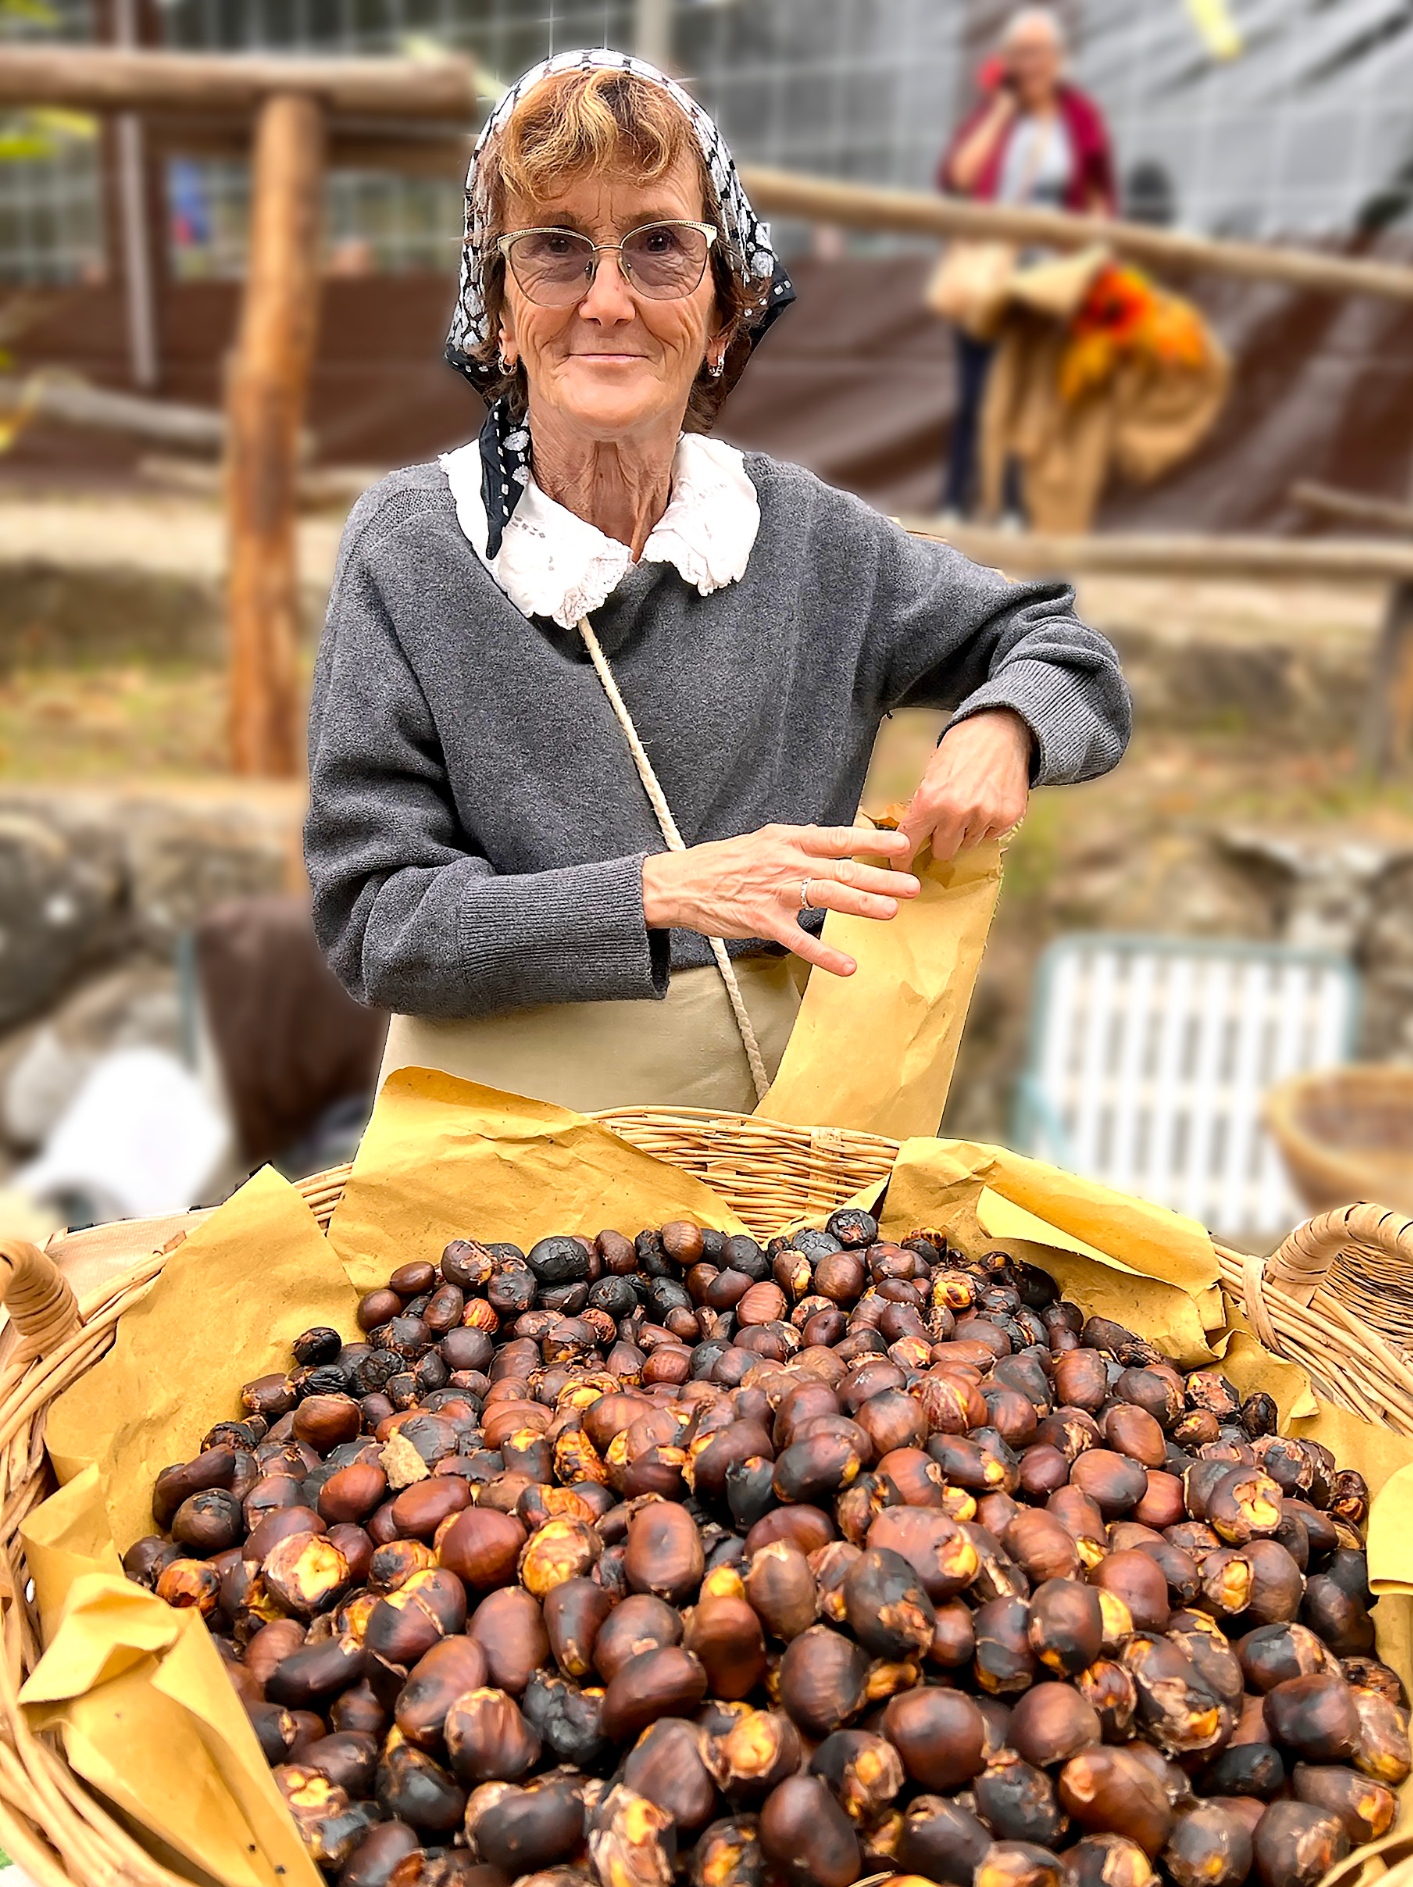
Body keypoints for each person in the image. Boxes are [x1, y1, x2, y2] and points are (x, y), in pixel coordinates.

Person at [304, 48, 1130, 1117]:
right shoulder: (415, 549)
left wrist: (1006, 723)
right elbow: (379, 921)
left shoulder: (807, 541)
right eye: (554, 251)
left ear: (725, 313)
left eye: (659, 248)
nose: (607, 299)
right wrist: (664, 893)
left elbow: (1063, 648)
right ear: (500, 315)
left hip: (782, 1161)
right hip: (496, 1166)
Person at [938, 8, 1117, 519]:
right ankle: (956, 501)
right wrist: (1001, 110)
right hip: (990, 271)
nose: (1029, 64)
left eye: (1038, 53)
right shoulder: (996, 114)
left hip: (1047, 277)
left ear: (1057, 60)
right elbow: (961, 174)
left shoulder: (1078, 117)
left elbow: (1100, 193)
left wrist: (1094, 255)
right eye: (1019, 53)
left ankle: (1014, 507)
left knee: (1029, 392)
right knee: (975, 393)